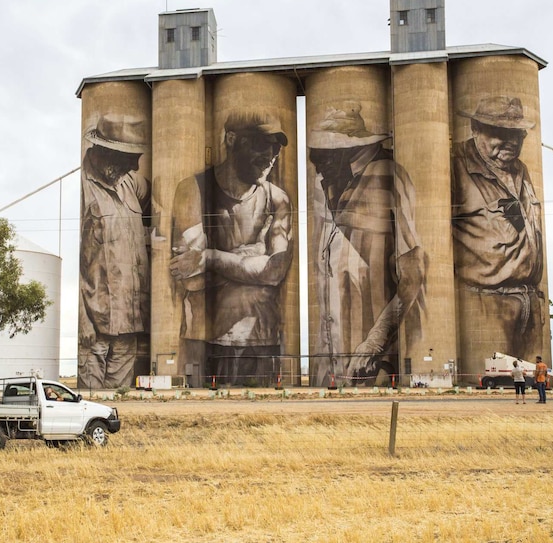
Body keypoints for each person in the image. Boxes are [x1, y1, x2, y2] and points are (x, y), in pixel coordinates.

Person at [170, 112, 294, 386]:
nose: (271, 156)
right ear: (232, 139)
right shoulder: (193, 190)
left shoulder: (277, 198)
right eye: (262, 144)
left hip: (263, 338)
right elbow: (192, 278)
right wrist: (253, 253)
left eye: (275, 148)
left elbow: (275, 271)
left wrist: (211, 256)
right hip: (206, 340)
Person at [307, 102, 425, 387]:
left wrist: (375, 344)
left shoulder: (388, 176)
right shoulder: (330, 186)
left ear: (346, 151)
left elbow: (414, 276)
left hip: (371, 360)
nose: (315, 164)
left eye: (322, 155)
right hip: (334, 359)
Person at [451, 96, 545, 369]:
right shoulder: (455, 166)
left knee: (532, 385)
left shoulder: (521, 170)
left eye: (516, 134)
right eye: (499, 133)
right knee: (493, 383)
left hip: (530, 304)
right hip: (486, 305)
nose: (511, 142)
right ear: (475, 128)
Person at [78, 113, 151, 390]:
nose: (134, 165)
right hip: (95, 326)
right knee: (89, 402)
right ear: (106, 152)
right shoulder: (84, 189)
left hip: (129, 321)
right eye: (128, 158)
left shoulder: (128, 182)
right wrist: (83, 321)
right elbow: (79, 261)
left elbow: (160, 193)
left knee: (117, 405)